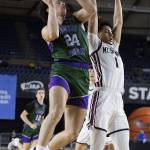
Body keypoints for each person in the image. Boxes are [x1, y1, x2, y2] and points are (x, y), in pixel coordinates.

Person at [36, 0, 96, 150]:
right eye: (58, 2)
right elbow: (53, 33)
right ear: (48, 9)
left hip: (82, 74)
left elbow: (91, 9)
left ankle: (47, 148)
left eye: (63, 2)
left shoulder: (75, 19)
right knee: (56, 111)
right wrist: (50, 4)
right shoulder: (45, 30)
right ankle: (40, 147)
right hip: (62, 70)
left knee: (73, 133)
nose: (62, 3)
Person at [87, 0, 130, 149]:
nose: (111, 34)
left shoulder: (115, 47)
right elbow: (93, 15)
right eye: (106, 31)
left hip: (118, 100)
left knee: (124, 147)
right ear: (98, 34)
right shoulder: (95, 45)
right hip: (101, 98)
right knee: (97, 146)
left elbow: (119, 21)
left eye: (111, 32)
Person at [75, 66, 96, 150]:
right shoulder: (83, 88)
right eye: (89, 71)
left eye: (93, 71)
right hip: (87, 123)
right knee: (79, 146)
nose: (91, 73)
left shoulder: (102, 88)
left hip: (101, 123)